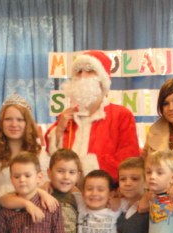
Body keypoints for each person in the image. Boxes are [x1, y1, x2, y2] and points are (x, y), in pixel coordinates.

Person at [45, 50, 140, 181]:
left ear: (102, 79)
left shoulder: (121, 115)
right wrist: (59, 130)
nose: (82, 75)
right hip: (67, 190)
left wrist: (88, 167)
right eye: (78, 71)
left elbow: (129, 158)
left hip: (105, 189)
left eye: (89, 70)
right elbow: (52, 158)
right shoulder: (68, 116)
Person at [0, 94, 50, 199]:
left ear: (27, 123)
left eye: (20, 119)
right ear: (1, 123)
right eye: (8, 119)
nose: (14, 124)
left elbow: (46, 188)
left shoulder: (41, 155)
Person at [46, 149, 82, 233]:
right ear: (49, 173)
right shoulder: (43, 195)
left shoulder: (80, 199)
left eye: (72, 172)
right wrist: (40, 191)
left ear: (78, 175)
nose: (66, 177)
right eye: (60, 171)